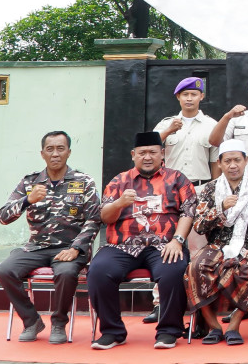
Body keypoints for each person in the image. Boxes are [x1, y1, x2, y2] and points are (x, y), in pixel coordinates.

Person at [89, 131, 197, 351]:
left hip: (164, 244)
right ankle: (112, 332)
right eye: (142, 153)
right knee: (99, 271)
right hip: (121, 245)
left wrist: (177, 240)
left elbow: (189, 212)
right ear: (133, 155)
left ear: (162, 154)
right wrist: (119, 203)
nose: (147, 157)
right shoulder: (119, 180)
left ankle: (168, 330)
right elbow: (105, 217)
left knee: (173, 270)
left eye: (152, 152)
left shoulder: (177, 179)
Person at [0, 131, 100, 344]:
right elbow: (3, 217)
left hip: (69, 248)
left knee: (66, 272)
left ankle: (59, 322)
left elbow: (94, 219)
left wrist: (77, 248)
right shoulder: (30, 182)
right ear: (42, 153)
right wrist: (27, 200)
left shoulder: (84, 182)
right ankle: (31, 320)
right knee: (5, 271)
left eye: (60, 149)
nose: (55, 154)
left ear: (69, 152)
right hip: (36, 248)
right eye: (50, 149)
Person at [186, 139, 248, 345]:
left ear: (246, 160)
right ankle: (214, 326)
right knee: (195, 267)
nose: (233, 165)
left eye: (237, 160)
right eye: (227, 161)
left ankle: (234, 324)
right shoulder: (211, 189)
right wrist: (220, 208)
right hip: (217, 245)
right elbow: (199, 226)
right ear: (219, 163)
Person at [153, 77, 219, 186]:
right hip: (171, 187)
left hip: (200, 188)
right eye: (185, 94)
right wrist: (169, 130)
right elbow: (149, 146)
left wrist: (214, 188)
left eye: (194, 94)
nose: (189, 98)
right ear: (178, 96)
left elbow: (215, 162)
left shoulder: (211, 125)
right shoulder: (166, 124)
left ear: (201, 97)